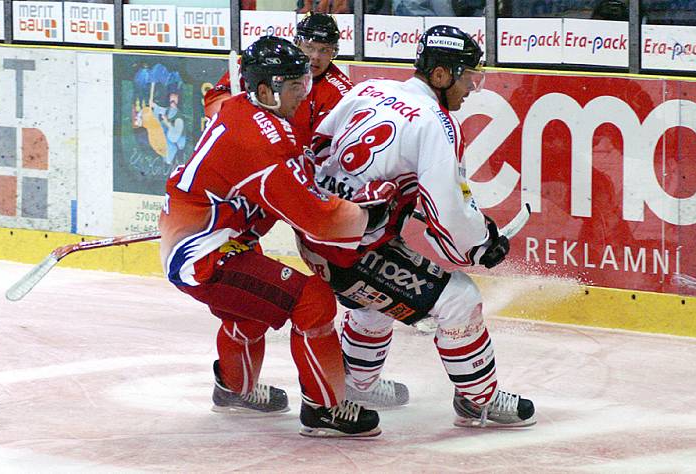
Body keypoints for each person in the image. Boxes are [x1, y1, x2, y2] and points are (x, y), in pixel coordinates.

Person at [296, 25, 536, 427]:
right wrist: (480, 244)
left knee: (375, 302)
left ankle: (357, 384)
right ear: (440, 75)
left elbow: (315, 146)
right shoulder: (436, 123)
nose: (470, 88)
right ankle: (479, 400)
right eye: (467, 77)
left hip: (319, 236)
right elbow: (449, 208)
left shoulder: (368, 88)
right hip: (352, 247)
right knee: (459, 298)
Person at [160, 35, 395, 438]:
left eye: (304, 83)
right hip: (206, 253)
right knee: (313, 301)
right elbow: (316, 219)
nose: (303, 94)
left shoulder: (244, 109)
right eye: (293, 86)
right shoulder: (259, 140)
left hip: (206, 240)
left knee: (250, 312)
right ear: (266, 89)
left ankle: (234, 388)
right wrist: (368, 212)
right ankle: (325, 408)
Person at [204, 13, 354, 148]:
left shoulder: (341, 92)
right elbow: (214, 101)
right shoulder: (265, 60)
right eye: (309, 47)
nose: (315, 56)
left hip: (292, 161)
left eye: (324, 50)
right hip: (249, 149)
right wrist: (239, 115)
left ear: (334, 52)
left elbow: (326, 148)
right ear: (297, 43)